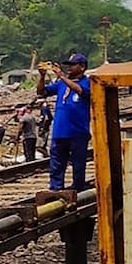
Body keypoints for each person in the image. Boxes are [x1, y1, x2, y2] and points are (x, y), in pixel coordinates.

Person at [38, 53, 91, 192]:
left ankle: (78, 190)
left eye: (72, 65)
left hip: (78, 132)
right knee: (56, 164)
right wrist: (42, 76)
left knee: (78, 164)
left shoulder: (87, 83)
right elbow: (42, 92)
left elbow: (80, 91)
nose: (69, 68)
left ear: (82, 67)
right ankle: (56, 189)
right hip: (60, 131)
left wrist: (61, 75)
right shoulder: (61, 84)